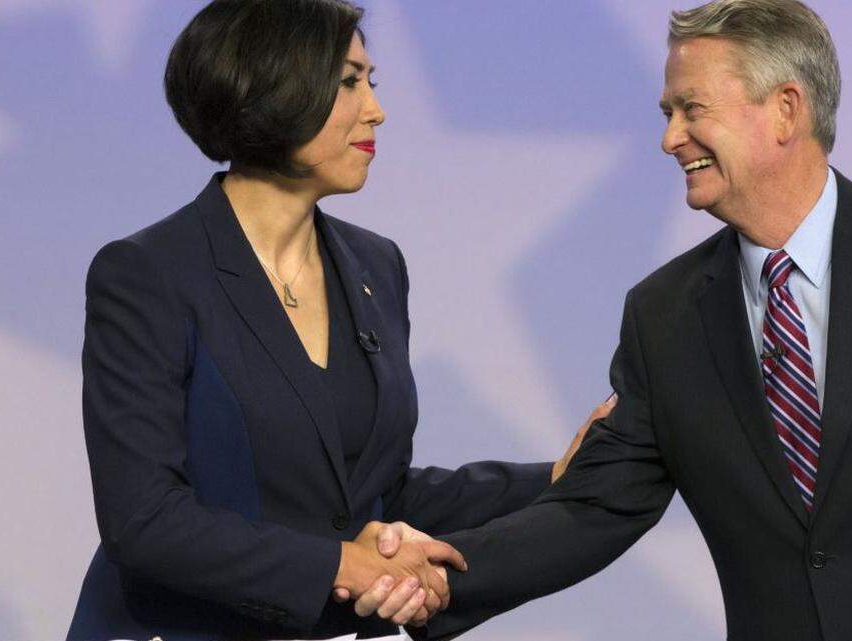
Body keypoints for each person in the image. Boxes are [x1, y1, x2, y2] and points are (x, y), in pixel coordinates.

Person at [357, 1, 852, 639]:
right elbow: (593, 507)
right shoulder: (664, 315)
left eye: (692, 109)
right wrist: (443, 574)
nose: (669, 137)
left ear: (785, 109)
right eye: (667, 113)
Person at [64, 1, 608, 639]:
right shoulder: (147, 273)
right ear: (268, 86)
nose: (375, 109)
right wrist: (339, 564)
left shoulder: (376, 264)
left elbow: (375, 496)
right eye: (349, 80)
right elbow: (144, 521)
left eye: (370, 82)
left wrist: (550, 480)